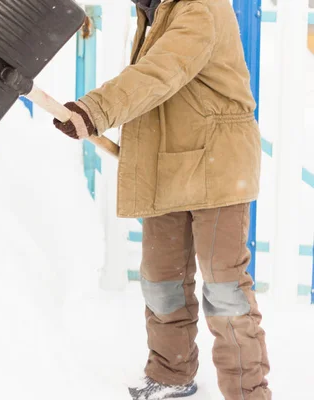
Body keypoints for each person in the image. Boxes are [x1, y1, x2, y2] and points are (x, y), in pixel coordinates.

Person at [53, 0, 272, 399]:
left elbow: (159, 73)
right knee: (161, 281)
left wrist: (95, 110)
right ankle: (171, 373)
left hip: (217, 164)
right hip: (169, 162)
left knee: (225, 288)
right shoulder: (154, 10)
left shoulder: (199, 9)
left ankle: (247, 391)